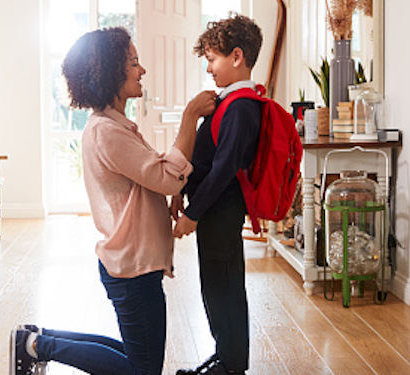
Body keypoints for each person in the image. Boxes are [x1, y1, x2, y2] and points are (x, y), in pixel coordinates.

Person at [10, 27, 216, 375]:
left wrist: (176, 187)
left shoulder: (113, 125)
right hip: (132, 267)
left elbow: (153, 175)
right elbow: (164, 177)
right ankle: (37, 346)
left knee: (137, 355)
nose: (142, 70)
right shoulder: (107, 131)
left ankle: (35, 339)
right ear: (109, 72)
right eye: (134, 63)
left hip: (132, 263)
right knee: (142, 370)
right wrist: (189, 117)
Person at [171, 14, 264, 375]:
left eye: (212, 59)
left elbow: (224, 168)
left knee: (224, 288)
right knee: (215, 285)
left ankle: (231, 365)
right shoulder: (230, 101)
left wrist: (193, 214)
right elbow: (207, 155)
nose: (209, 68)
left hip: (221, 212)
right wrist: (183, 191)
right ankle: (223, 355)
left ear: (236, 56)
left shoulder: (241, 106)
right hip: (214, 211)